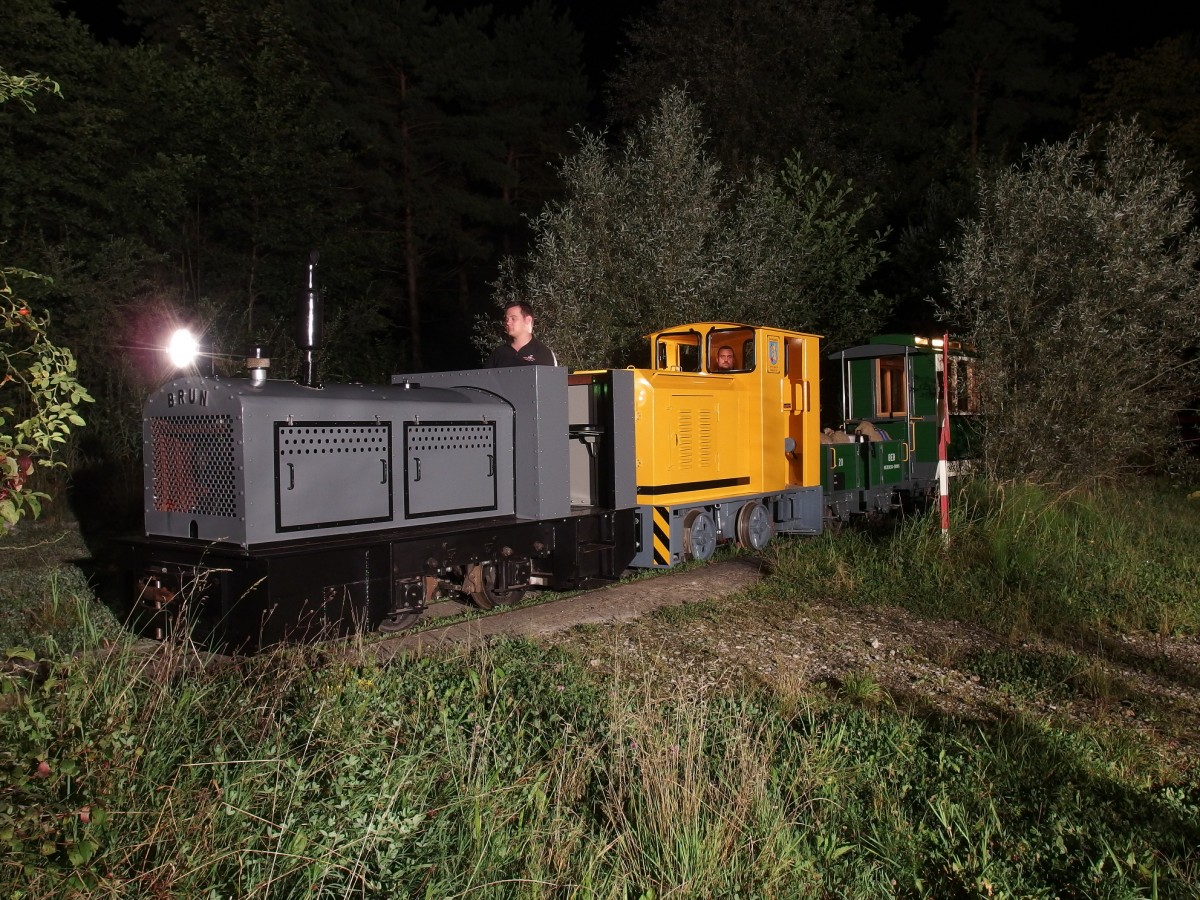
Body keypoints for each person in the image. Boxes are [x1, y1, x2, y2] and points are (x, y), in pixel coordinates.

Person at [487, 300, 558, 367]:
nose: (508, 323)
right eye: (507, 319)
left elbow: (551, 379)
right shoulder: (498, 353)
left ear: (528, 320)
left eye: (513, 318)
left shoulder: (544, 353)